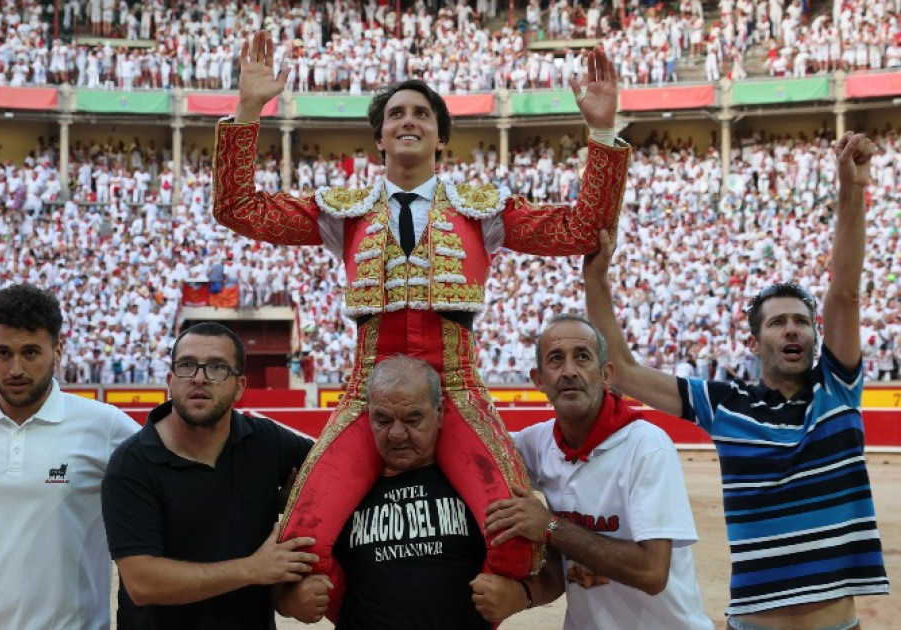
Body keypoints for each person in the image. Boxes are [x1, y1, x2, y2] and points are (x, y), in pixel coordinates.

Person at [212, 30, 631, 616]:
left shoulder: (482, 207)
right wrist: (250, 109)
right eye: (395, 113)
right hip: (368, 393)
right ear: (379, 138)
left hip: (454, 389)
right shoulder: (343, 209)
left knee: (513, 531)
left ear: (440, 136)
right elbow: (237, 209)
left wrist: (603, 134)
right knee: (302, 536)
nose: (408, 120)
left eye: (421, 113)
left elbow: (581, 230)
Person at [582, 131, 890, 629]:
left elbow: (845, 294)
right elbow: (620, 367)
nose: (792, 327)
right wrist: (595, 280)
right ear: (755, 341)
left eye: (801, 321)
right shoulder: (725, 404)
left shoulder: (837, 388)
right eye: (777, 321)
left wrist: (851, 191)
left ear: (816, 335)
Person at [273, 355, 565, 627]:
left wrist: (523, 595)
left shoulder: (474, 489)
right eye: (383, 420)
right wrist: (288, 601)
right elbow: (278, 581)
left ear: (439, 414)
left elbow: (558, 573)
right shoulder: (340, 496)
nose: (397, 434)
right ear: (368, 417)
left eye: (413, 420)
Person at [484, 315, 713, 629]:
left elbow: (651, 573)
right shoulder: (537, 443)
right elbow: (477, 451)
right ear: (539, 379)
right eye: (555, 359)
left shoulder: (646, 446)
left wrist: (550, 526)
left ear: (606, 375)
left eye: (582, 357)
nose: (569, 371)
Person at [101, 322, 316, 630]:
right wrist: (253, 569)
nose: (200, 377)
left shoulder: (267, 441)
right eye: (187, 365)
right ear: (170, 380)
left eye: (217, 367)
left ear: (240, 385)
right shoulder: (131, 463)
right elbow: (143, 582)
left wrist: (298, 504)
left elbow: (331, 473)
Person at [0, 284, 138, 629]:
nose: (15, 368)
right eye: (3, 353)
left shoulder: (107, 426)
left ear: (58, 350)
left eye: (30, 352)